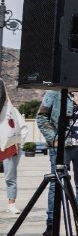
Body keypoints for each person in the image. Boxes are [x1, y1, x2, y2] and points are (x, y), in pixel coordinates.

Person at [36, 89, 78, 236]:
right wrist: (53, 139)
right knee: (56, 185)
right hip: (61, 147)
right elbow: (41, 117)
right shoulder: (55, 92)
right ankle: (51, 225)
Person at [1, 83, 27, 215]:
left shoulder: (12, 111)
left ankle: (11, 204)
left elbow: (23, 128)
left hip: (9, 148)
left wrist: (18, 142)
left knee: (10, 177)